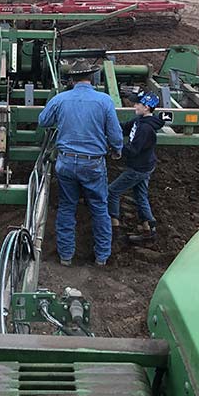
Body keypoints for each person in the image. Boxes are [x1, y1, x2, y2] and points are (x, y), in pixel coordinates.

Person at [38, 60, 124, 267]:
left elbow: (43, 121)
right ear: (92, 78)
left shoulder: (61, 99)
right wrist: (117, 150)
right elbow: (114, 134)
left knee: (67, 207)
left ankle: (66, 256)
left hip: (66, 162)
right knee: (99, 208)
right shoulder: (104, 101)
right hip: (93, 163)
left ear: (71, 80)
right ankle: (102, 257)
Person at [108, 91, 162, 243]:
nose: (134, 105)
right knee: (140, 196)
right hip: (144, 166)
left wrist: (115, 149)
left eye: (137, 104)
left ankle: (114, 229)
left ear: (146, 107)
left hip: (138, 169)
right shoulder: (140, 121)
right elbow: (124, 128)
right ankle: (149, 230)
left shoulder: (146, 129)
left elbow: (133, 150)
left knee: (112, 191)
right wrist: (107, 125)